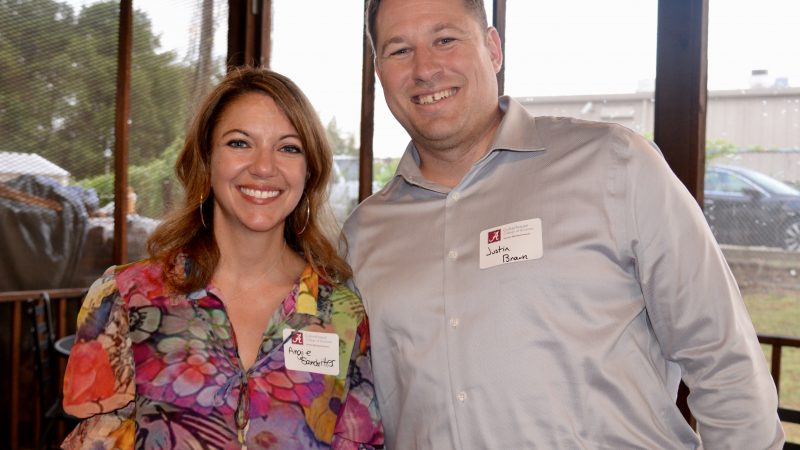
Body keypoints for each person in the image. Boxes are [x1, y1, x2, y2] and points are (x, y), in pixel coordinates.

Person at [342, 0, 785, 448]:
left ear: (493, 49)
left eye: (444, 39)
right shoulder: (362, 238)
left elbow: (722, 358)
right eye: (400, 50)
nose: (424, 69)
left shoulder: (614, 165)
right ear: (379, 72)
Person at [61, 67, 384, 449]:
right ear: (206, 159)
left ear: (309, 171)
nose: (263, 167)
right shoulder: (127, 296)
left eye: (288, 148)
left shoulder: (342, 314)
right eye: (240, 143)